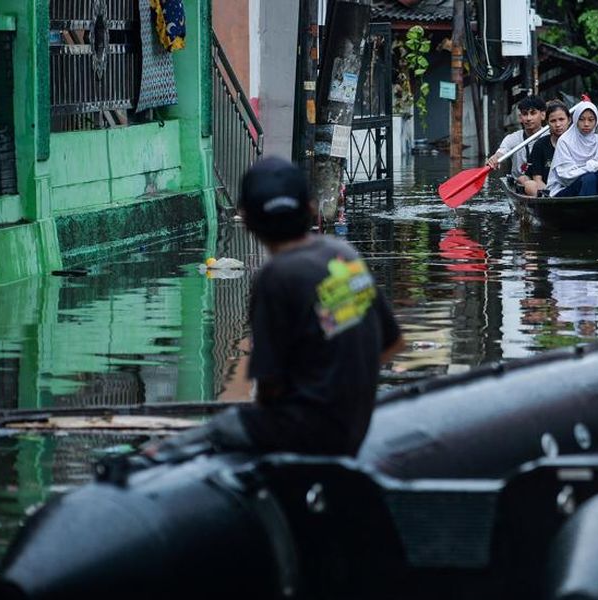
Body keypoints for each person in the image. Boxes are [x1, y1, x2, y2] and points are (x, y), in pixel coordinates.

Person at [144, 157, 404, 460]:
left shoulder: (276, 277)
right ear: (310, 208)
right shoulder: (342, 254)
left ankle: (152, 457)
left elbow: (270, 387)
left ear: (247, 219)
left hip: (307, 434)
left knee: (218, 428)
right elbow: (393, 344)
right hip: (353, 427)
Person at [547, 101, 598, 197]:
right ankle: (589, 209)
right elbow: (565, 176)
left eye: (591, 120)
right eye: (581, 119)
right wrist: (595, 166)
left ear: (596, 121)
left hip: (590, 187)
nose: (586, 124)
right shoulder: (565, 141)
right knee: (590, 178)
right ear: (576, 119)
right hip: (564, 190)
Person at [518, 100, 571, 196]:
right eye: (553, 121)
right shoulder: (540, 145)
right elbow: (537, 180)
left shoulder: (578, 143)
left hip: (571, 189)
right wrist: (552, 196)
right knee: (528, 184)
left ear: (569, 120)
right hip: (547, 191)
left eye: (561, 119)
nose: (558, 125)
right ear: (547, 123)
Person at [487, 95, 547, 178]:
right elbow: (501, 153)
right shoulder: (512, 138)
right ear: (520, 117)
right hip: (520, 182)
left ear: (543, 115)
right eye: (525, 114)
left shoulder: (551, 136)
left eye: (533, 113)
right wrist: (495, 158)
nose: (528, 118)